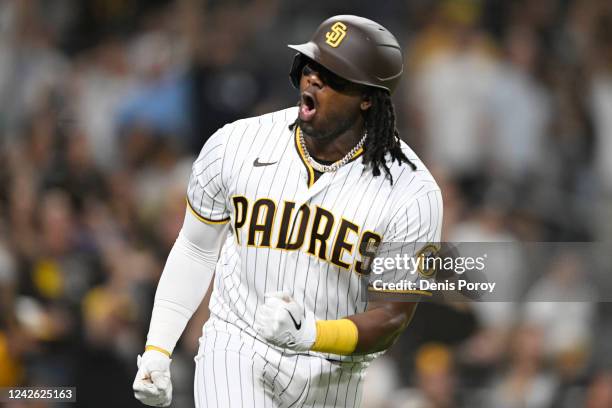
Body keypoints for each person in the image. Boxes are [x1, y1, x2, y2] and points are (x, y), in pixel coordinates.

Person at [132, 15, 442, 407]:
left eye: (333, 75)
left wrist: (314, 334)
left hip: (332, 374)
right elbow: (196, 248)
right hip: (237, 346)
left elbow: (393, 316)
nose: (314, 78)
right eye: (312, 65)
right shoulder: (237, 144)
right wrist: (158, 350)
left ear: (368, 97)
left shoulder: (413, 193)